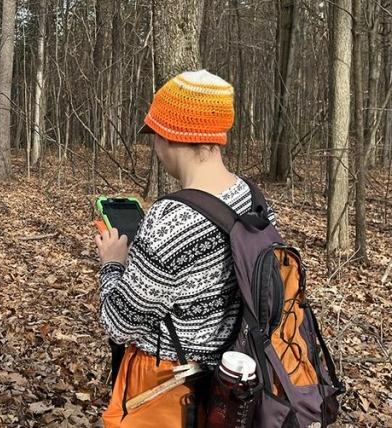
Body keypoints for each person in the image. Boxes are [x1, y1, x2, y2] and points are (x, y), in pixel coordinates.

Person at [94, 70, 274, 427]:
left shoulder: (171, 218)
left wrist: (113, 264)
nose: (154, 148)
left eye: (155, 136)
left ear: (171, 136)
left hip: (171, 391)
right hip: (229, 383)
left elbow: (120, 323)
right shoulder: (252, 199)